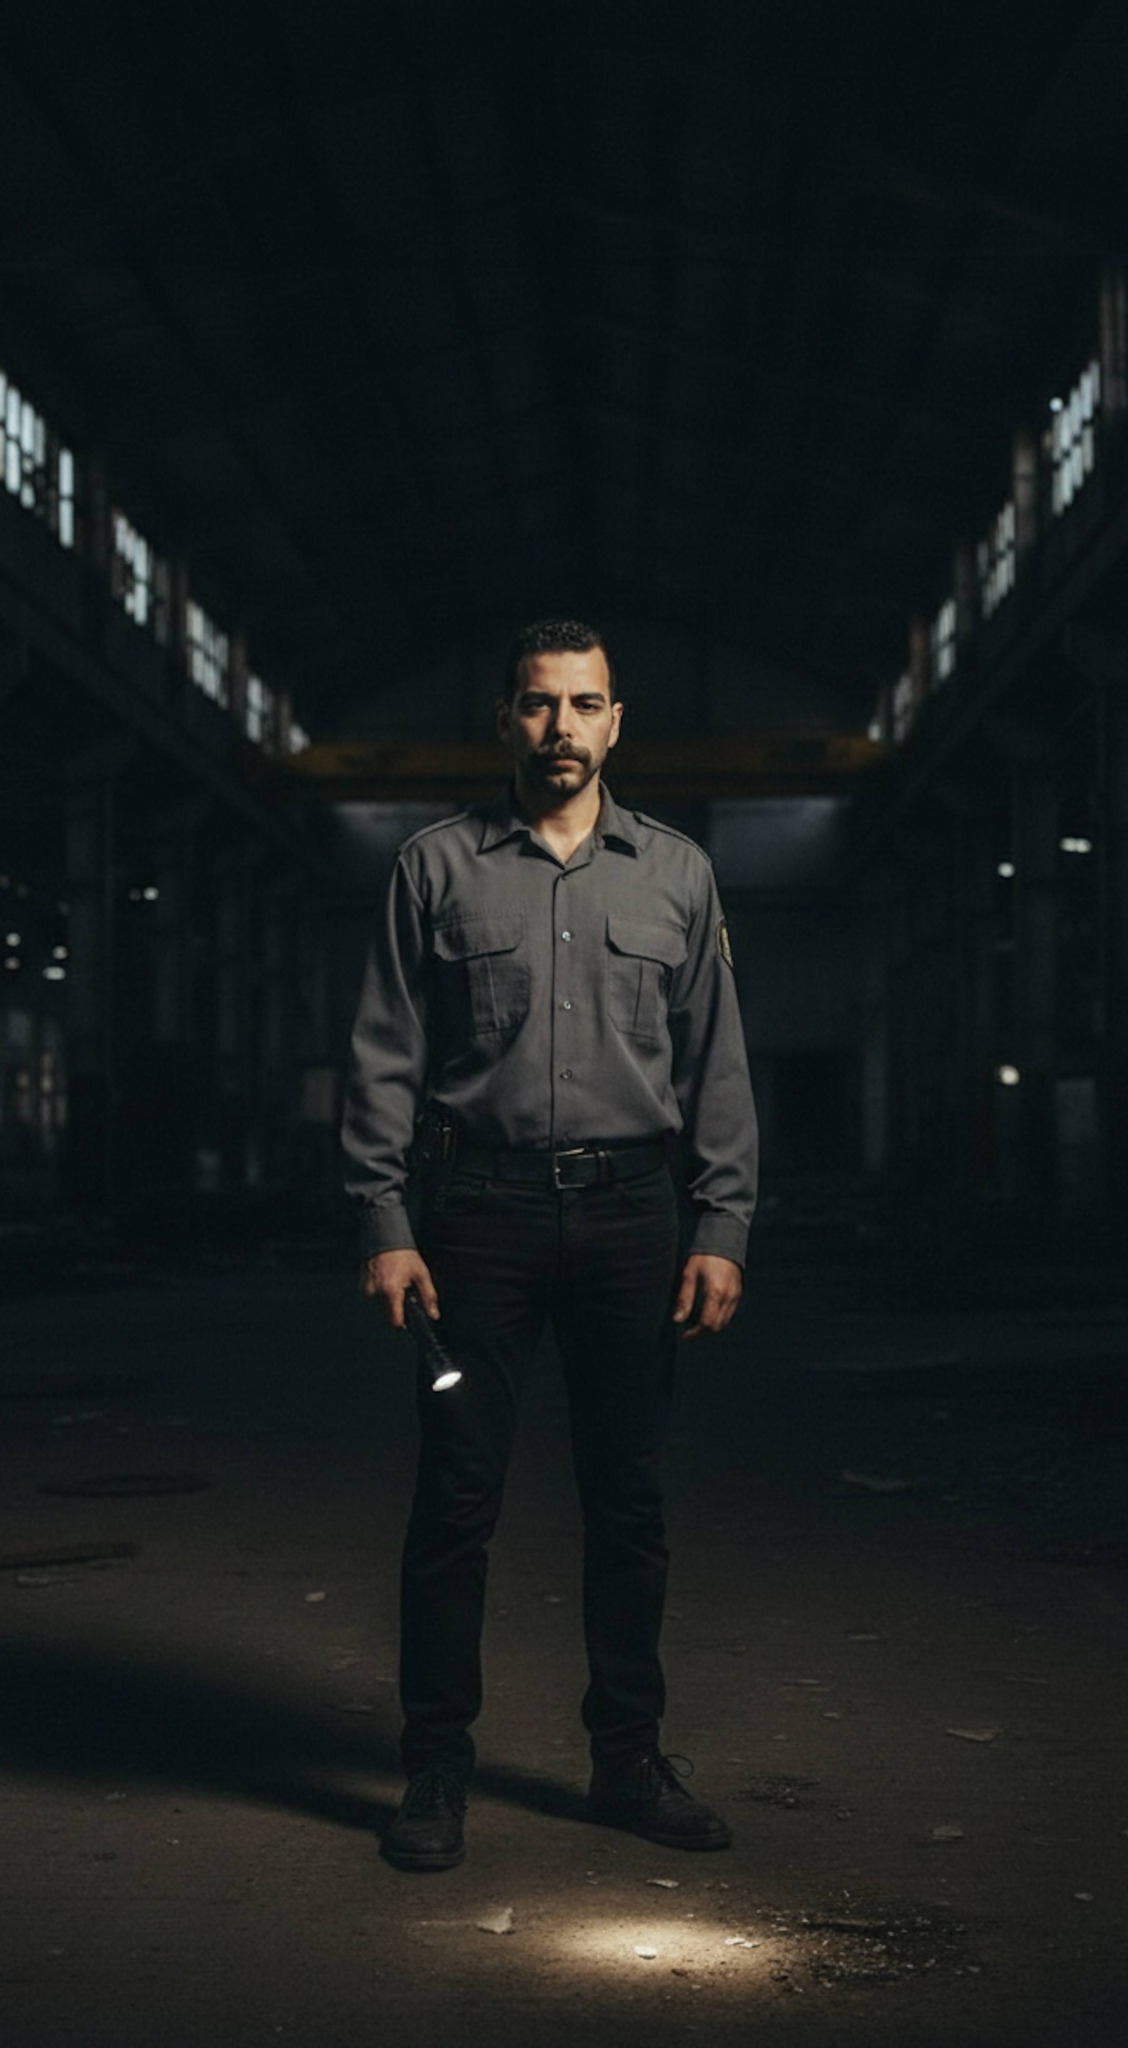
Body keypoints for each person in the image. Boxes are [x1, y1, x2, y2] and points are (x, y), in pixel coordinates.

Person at [341, 617, 758, 1871]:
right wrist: (385, 1221)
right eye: (538, 703)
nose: (560, 726)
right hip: (478, 1217)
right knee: (456, 1496)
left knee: (626, 1498)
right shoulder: (434, 868)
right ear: (505, 719)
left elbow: (715, 1060)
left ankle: (627, 1758)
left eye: (583, 704)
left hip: (634, 1218)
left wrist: (722, 1220)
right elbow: (383, 1054)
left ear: (615, 723)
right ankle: (435, 1767)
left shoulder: (676, 872)